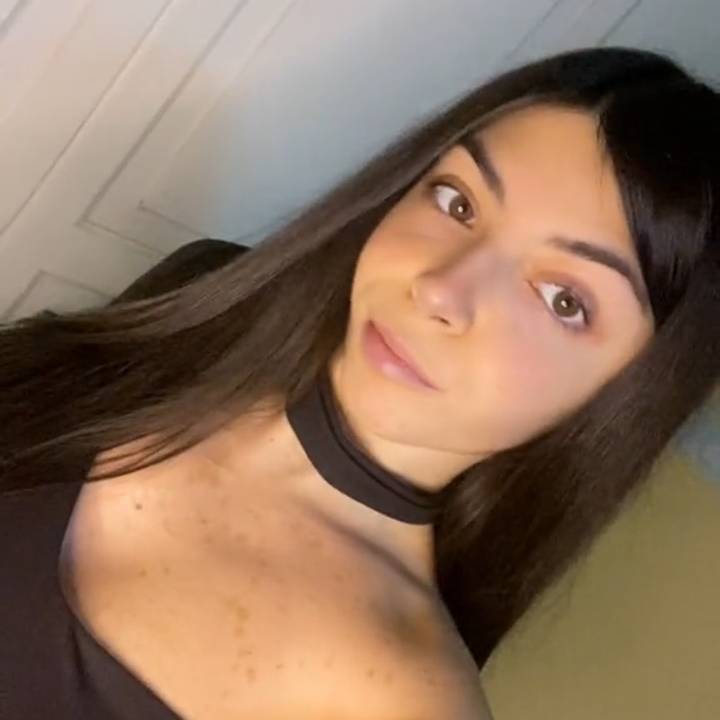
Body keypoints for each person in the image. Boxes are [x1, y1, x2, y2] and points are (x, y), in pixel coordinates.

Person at [1, 46, 718, 719]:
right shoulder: (206, 296)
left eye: (562, 299)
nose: (441, 289)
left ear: (629, 393)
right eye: (458, 201)